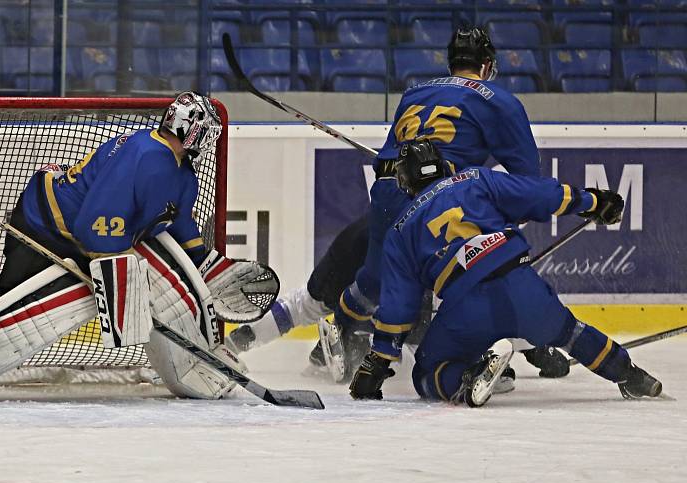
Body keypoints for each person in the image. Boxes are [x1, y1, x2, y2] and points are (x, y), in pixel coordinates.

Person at [228, 26, 570, 382]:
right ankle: (494, 355)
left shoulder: (415, 93)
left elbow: (389, 159)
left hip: (388, 196)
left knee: (364, 288)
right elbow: (528, 178)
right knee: (478, 277)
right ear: (486, 66)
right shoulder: (497, 101)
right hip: (440, 203)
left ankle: (336, 331)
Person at [0, 92, 270, 402]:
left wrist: (206, 263)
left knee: (118, 277)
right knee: (28, 300)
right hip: (43, 222)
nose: (209, 140)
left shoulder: (180, 173)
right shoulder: (144, 156)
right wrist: (122, 286)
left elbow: (180, 224)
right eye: (205, 132)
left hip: (74, 232)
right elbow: (92, 227)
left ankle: (197, 363)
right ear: (189, 131)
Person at [348, 139, 662, 405]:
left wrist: (376, 365)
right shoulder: (474, 179)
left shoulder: (401, 229)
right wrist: (591, 201)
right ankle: (632, 376)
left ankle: (467, 377)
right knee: (570, 331)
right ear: (442, 167)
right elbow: (537, 194)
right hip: (521, 283)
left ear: (404, 182)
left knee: (427, 373)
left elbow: (398, 309)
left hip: (466, 307)